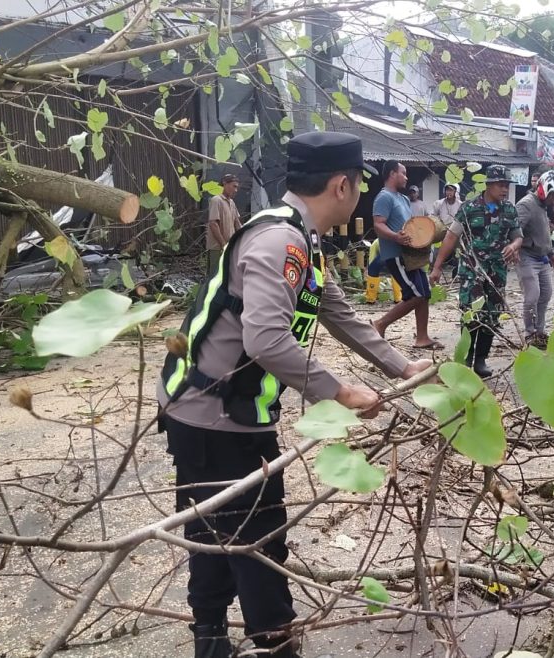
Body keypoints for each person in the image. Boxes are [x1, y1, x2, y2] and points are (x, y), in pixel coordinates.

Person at [158, 132, 432, 658]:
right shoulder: (279, 242)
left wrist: (402, 366)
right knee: (257, 539)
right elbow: (265, 339)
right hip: (213, 414)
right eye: (360, 187)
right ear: (341, 185)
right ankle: (273, 644)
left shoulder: (301, 239)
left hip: (219, 411)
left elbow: (339, 314)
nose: (362, 196)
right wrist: (339, 391)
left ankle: (210, 638)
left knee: (214, 525)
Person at [429, 165, 522, 378]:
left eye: (506, 185)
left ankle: (481, 359)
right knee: (470, 315)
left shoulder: (509, 209)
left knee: (492, 315)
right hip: (472, 272)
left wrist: (514, 245)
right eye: (500, 185)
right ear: (488, 185)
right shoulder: (469, 208)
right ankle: (466, 358)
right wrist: (437, 267)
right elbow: (451, 237)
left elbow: (518, 236)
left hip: (497, 273)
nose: (505, 189)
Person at [371, 161, 441, 349]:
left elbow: (412, 226)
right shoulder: (384, 197)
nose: (406, 177)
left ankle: (422, 338)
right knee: (416, 294)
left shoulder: (402, 198)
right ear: (393, 173)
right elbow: (378, 224)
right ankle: (380, 324)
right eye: (403, 173)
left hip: (412, 255)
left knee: (424, 293)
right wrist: (395, 237)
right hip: (396, 254)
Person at [516, 171, 554, 346]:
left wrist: (551, 253)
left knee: (545, 294)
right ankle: (530, 333)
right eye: (553, 195)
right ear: (544, 190)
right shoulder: (525, 205)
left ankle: (540, 331)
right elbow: (515, 231)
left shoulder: (544, 206)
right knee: (532, 296)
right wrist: (512, 248)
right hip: (526, 256)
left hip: (542, 257)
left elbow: (544, 234)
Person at [206, 173, 244, 276]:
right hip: (217, 248)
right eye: (234, 186)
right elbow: (213, 224)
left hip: (229, 247)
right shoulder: (216, 200)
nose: (236, 190)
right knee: (214, 277)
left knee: (226, 276)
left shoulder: (232, 203)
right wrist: (223, 244)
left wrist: (246, 236)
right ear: (224, 183)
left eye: (237, 187)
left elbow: (237, 223)